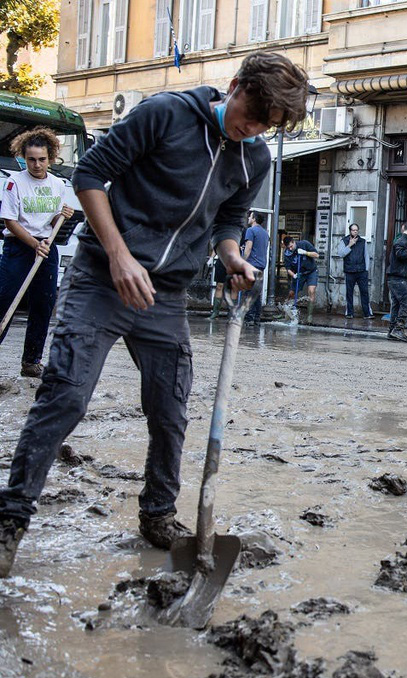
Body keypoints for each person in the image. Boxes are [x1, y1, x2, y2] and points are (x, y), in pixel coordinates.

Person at [0, 51, 310, 578]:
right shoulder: (164, 113)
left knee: (170, 411)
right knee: (65, 396)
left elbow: (229, 219)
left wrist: (232, 254)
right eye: (250, 116)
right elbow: (91, 175)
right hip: (103, 278)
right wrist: (119, 255)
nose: (252, 130)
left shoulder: (253, 157)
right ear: (233, 86)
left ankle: (158, 514)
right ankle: (10, 522)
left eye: (266, 126)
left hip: (164, 295)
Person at [0, 127, 75, 377]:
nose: (36, 164)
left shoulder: (58, 184)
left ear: (50, 157)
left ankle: (31, 361)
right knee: (5, 300)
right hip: (19, 247)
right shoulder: (14, 183)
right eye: (31, 159)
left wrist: (61, 217)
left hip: (46, 247)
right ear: (24, 157)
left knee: (43, 303)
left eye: (41, 159)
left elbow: (52, 221)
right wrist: (34, 244)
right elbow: (10, 221)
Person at [386, 222, 407, 342]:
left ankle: (392, 330)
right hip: (398, 278)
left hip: (397, 278)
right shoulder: (402, 241)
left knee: (396, 305)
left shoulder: (401, 241)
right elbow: (400, 254)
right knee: (406, 304)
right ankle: (398, 329)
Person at [337, 223, 372, 318]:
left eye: (356, 230)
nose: (355, 232)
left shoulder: (362, 241)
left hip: (361, 271)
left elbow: (366, 256)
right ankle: (349, 313)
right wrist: (349, 245)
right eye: (353, 230)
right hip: (349, 271)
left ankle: (367, 313)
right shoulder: (344, 241)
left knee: (364, 292)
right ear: (350, 231)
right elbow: (340, 254)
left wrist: (366, 269)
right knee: (349, 293)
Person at [282, 235, 319, 322]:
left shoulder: (304, 244)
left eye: (291, 246)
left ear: (293, 241)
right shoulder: (287, 253)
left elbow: (316, 255)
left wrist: (306, 253)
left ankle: (309, 316)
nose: (290, 249)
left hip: (311, 271)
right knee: (292, 293)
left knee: (311, 290)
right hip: (299, 274)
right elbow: (288, 269)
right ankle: (286, 311)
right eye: (288, 247)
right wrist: (293, 275)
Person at [241, 211, 269, 325]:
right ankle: (257, 318)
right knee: (256, 292)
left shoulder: (250, 231)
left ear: (254, 219)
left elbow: (248, 248)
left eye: (250, 216)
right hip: (261, 265)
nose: (248, 217)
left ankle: (249, 318)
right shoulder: (265, 233)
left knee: (248, 292)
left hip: (251, 264)